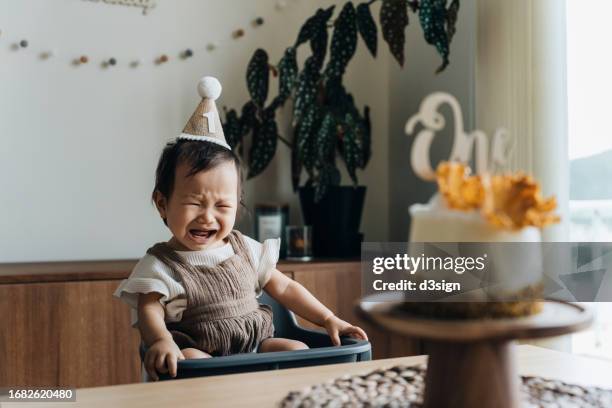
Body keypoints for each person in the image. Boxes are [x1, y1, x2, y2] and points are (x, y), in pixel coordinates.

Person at [114, 76, 367, 381]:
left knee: (297, 349)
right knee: (189, 361)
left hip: (258, 348)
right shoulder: (162, 265)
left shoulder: (244, 247)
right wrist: (161, 340)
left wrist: (328, 319)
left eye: (222, 206)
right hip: (203, 353)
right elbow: (149, 310)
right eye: (195, 203)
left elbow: (285, 287)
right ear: (162, 203)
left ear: (237, 205)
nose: (208, 217)